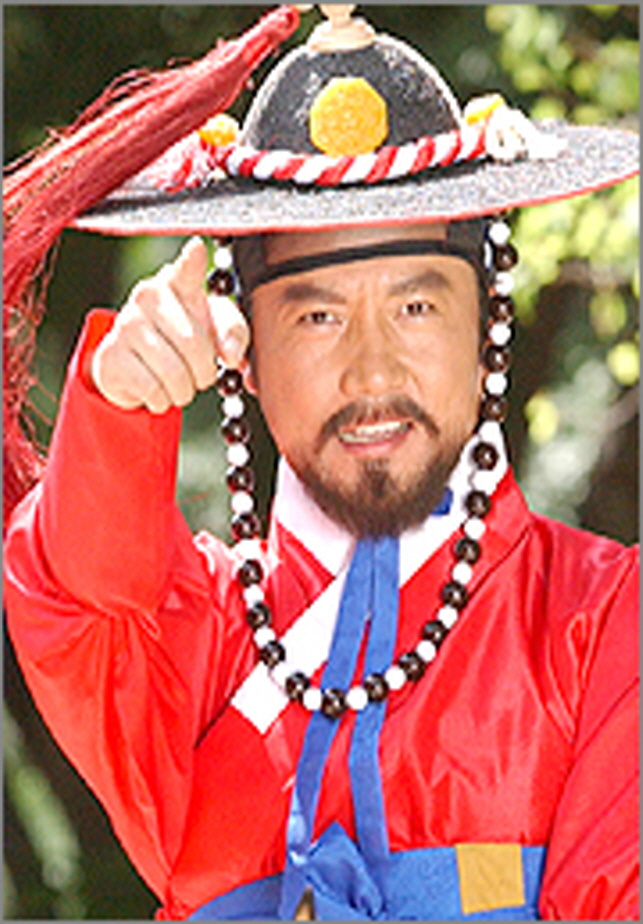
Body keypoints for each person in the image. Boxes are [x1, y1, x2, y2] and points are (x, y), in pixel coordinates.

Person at [4, 5, 639, 921]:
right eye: (316, 316)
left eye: (416, 308)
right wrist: (119, 409)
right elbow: (73, 600)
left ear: (488, 328)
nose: (372, 371)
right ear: (243, 351)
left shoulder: (604, 621)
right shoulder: (202, 637)